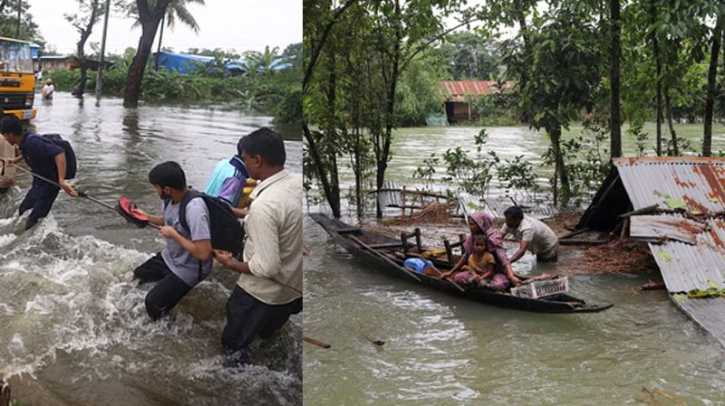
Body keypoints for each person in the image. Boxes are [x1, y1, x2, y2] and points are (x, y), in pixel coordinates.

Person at [213, 127, 302, 366]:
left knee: (233, 347)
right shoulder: (296, 184)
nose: (244, 164)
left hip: (259, 294)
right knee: (266, 336)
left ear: (258, 160)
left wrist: (230, 263)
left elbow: (267, 267)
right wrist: (237, 212)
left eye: (245, 159)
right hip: (292, 291)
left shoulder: (265, 205)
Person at [133, 161, 213, 321]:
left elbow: (205, 253)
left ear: (167, 189)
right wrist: (146, 217)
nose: (155, 191)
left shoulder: (195, 209)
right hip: (171, 257)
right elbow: (168, 219)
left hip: (190, 268)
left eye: (156, 187)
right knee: (138, 276)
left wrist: (175, 235)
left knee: (153, 302)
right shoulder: (170, 199)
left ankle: (167, 329)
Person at [0, 115, 78, 229]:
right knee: (23, 209)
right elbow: (29, 152)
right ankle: (16, 234)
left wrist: (61, 180)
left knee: (33, 221)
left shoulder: (33, 141)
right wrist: (15, 160)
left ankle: (36, 240)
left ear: (11, 134)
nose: (5, 139)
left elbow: (59, 153)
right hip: (39, 182)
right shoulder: (23, 142)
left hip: (50, 184)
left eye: (5, 136)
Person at [442, 212, 521, 290]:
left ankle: (485, 285)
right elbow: (465, 257)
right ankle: (479, 283)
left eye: (472, 224)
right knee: (458, 278)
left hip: (495, 273)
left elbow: (504, 260)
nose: (470, 227)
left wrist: (511, 276)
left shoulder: (493, 238)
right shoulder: (472, 238)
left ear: (481, 224)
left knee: (499, 284)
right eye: (469, 224)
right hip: (477, 272)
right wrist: (451, 272)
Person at [204, 138, 253, 217]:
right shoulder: (236, 179)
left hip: (204, 207)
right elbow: (222, 208)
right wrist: (252, 214)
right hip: (213, 217)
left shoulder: (224, 163)